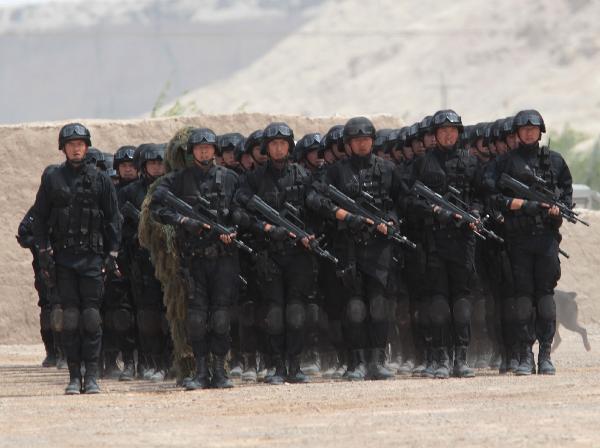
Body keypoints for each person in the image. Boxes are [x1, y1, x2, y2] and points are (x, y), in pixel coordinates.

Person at [308, 116, 402, 381]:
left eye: (366, 140)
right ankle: (356, 362)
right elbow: (315, 198)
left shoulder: (387, 169)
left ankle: (377, 360)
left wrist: (392, 220)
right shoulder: (336, 172)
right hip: (348, 245)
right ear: (348, 144)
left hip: (379, 246)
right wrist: (344, 216)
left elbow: (401, 199)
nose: (362, 145)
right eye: (356, 141)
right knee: (354, 306)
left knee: (378, 304)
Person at [32, 123, 121, 394]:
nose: (76, 148)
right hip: (64, 260)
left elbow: (113, 219)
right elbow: (40, 219)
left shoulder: (101, 179)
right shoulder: (53, 179)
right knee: (69, 318)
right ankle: (73, 376)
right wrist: (44, 251)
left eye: (81, 144)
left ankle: (91, 375)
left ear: (87, 146)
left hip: (92, 259)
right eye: (71, 144)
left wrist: (112, 254)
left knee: (92, 317)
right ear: (63, 148)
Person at [152, 128, 240, 389]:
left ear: (214, 150)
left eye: (208, 147)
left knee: (222, 317)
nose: (204, 151)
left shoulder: (230, 179)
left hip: (223, 259)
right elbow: (158, 207)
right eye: (199, 148)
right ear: (192, 152)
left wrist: (233, 230)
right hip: (193, 260)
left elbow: (242, 210)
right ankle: (201, 371)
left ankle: (220, 371)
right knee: (197, 319)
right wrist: (183, 220)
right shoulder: (177, 180)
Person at [489, 109, 572, 375]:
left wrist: (559, 209)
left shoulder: (555, 162)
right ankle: (525, 353)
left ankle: (545, 354)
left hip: (546, 239)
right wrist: (523, 204)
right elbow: (491, 196)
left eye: (533, 129)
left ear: (540, 131)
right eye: (524, 129)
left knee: (545, 296)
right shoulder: (504, 163)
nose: (528, 133)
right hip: (518, 239)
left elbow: (567, 193)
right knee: (522, 297)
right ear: (516, 133)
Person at [235, 122, 317, 385]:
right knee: (274, 312)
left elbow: (316, 208)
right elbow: (239, 213)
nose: (279, 148)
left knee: (295, 310)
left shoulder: (303, 175)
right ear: (266, 149)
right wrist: (267, 228)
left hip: (299, 255)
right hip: (269, 254)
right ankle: (277, 366)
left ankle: (295, 365)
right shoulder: (253, 178)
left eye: (283, 144)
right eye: (274, 144)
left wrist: (311, 234)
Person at [406, 110, 480, 379]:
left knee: (461, 299)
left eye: (453, 130)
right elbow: (409, 201)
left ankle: (461, 357)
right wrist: (436, 212)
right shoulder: (422, 163)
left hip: (463, 241)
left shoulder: (471, 163)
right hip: (434, 240)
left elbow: (483, 195)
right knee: (437, 300)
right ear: (435, 135)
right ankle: (439, 357)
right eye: (443, 130)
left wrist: (475, 213)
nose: (448, 134)